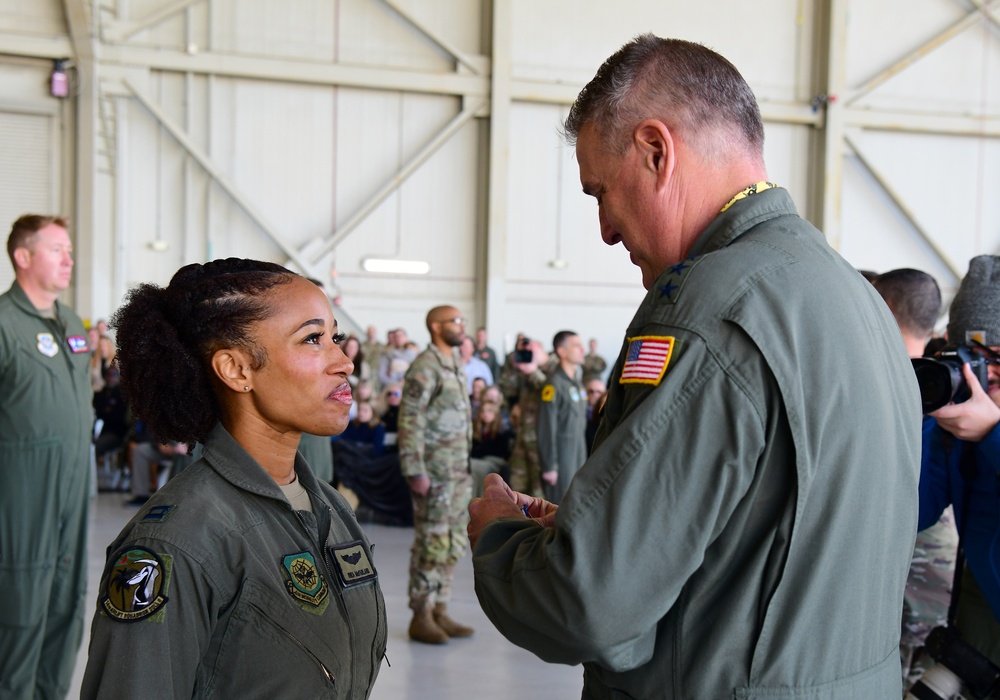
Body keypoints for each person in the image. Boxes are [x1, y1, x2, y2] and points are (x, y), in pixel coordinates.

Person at [467, 35, 920, 699]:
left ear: (655, 150)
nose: (605, 231)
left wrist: (500, 537)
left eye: (600, 192)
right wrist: (593, 526)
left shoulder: (708, 309)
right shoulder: (853, 297)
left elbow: (586, 604)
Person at [81, 259, 386, 698]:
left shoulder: (332, 510)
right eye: (313, 339)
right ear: (237, 370)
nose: (343, 362)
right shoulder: (177, 542)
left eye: (335, 336)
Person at [0, 214, 93, 699]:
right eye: (57, 249)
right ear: (23, 256)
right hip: (21, 499)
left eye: (69, 249)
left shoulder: (71, 323)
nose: (68, 259)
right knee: (18, 611)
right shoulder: (3, 324)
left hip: (75, 495)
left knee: (65, 607)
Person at [872, 268, 958, 684]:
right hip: (942, 612)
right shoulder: (950, 396)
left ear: (884, 307)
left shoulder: (876, 385)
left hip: (898, 611)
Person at [918, 255, 1000, 677]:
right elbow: (911, 513)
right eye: (969, 360)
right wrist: (924, 422)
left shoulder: (987, 433)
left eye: (994, 361)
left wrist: (993, 436)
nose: (982, 381)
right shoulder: (960, 434)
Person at [398, 305, 474, 644]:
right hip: (435, 472)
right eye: (455, 321)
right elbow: (410, 418)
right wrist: (415, 470)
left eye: (461, 321)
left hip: (458, 471)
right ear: (435, 326)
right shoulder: (426, 366)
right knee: (432, 542)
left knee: (454, 540)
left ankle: (441, 607)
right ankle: (422, 614)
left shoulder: (454, 363)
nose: (462, 326)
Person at [536, 330, 587, 504]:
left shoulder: (576, 383)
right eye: (577, 346)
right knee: (559, 507)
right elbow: (546, 427)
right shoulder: (553, 384)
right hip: (561, 457)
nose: (583, 350)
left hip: (578, 453)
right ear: (562, 351)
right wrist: (550, 465)